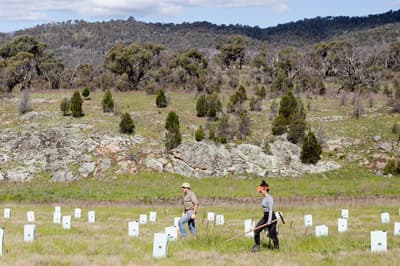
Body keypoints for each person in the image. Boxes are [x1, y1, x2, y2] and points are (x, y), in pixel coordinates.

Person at [253, 180, 279, 252]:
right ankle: (257, 246)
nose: (260, 192)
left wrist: (269, 221)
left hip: (271, 217)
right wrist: (266, 219)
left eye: (261, 190)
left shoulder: (269, 198)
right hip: (265, 216)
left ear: (264, 189)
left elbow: (270, 209)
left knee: (272, 234)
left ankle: (276, 248)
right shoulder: (264, 197)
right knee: (256, 230)